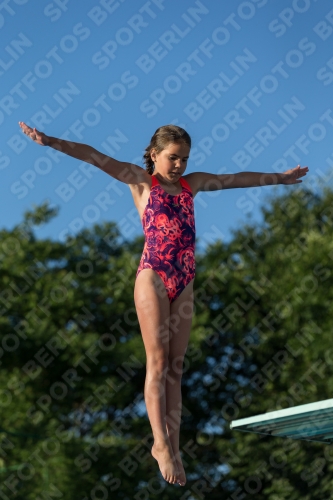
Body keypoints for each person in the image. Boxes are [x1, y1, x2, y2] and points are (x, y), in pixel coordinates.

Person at [18, 121, 309, 486]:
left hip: (184, 280)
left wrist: (279, 179)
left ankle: (174, 443)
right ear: (155, 155)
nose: (179, 166)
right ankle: (160, 444)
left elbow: (235, 178)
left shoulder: (193, 184)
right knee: (157, 360)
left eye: (184, 159)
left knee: (176, 365)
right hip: (153, 275)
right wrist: (49, 141)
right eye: (173, 158)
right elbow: (94, 157)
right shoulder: (141, 181)